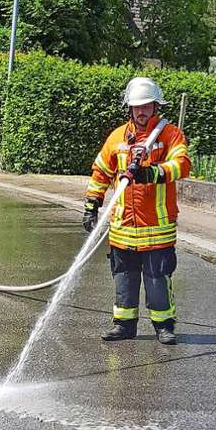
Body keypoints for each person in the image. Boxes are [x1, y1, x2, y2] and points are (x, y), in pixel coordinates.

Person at [83, 77, 191, 345]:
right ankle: (123, 325)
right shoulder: (118, 137)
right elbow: (101, 171)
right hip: (122, 228)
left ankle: (164, 326)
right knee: (124, 278)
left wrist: (153, 173)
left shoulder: (169, 135)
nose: (141, 111)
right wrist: (91, 204)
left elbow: (182, 164)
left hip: (156, 228)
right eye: (136, 106)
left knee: (157, 279)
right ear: (129, 108)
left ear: (156, 106)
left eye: (146, 106)